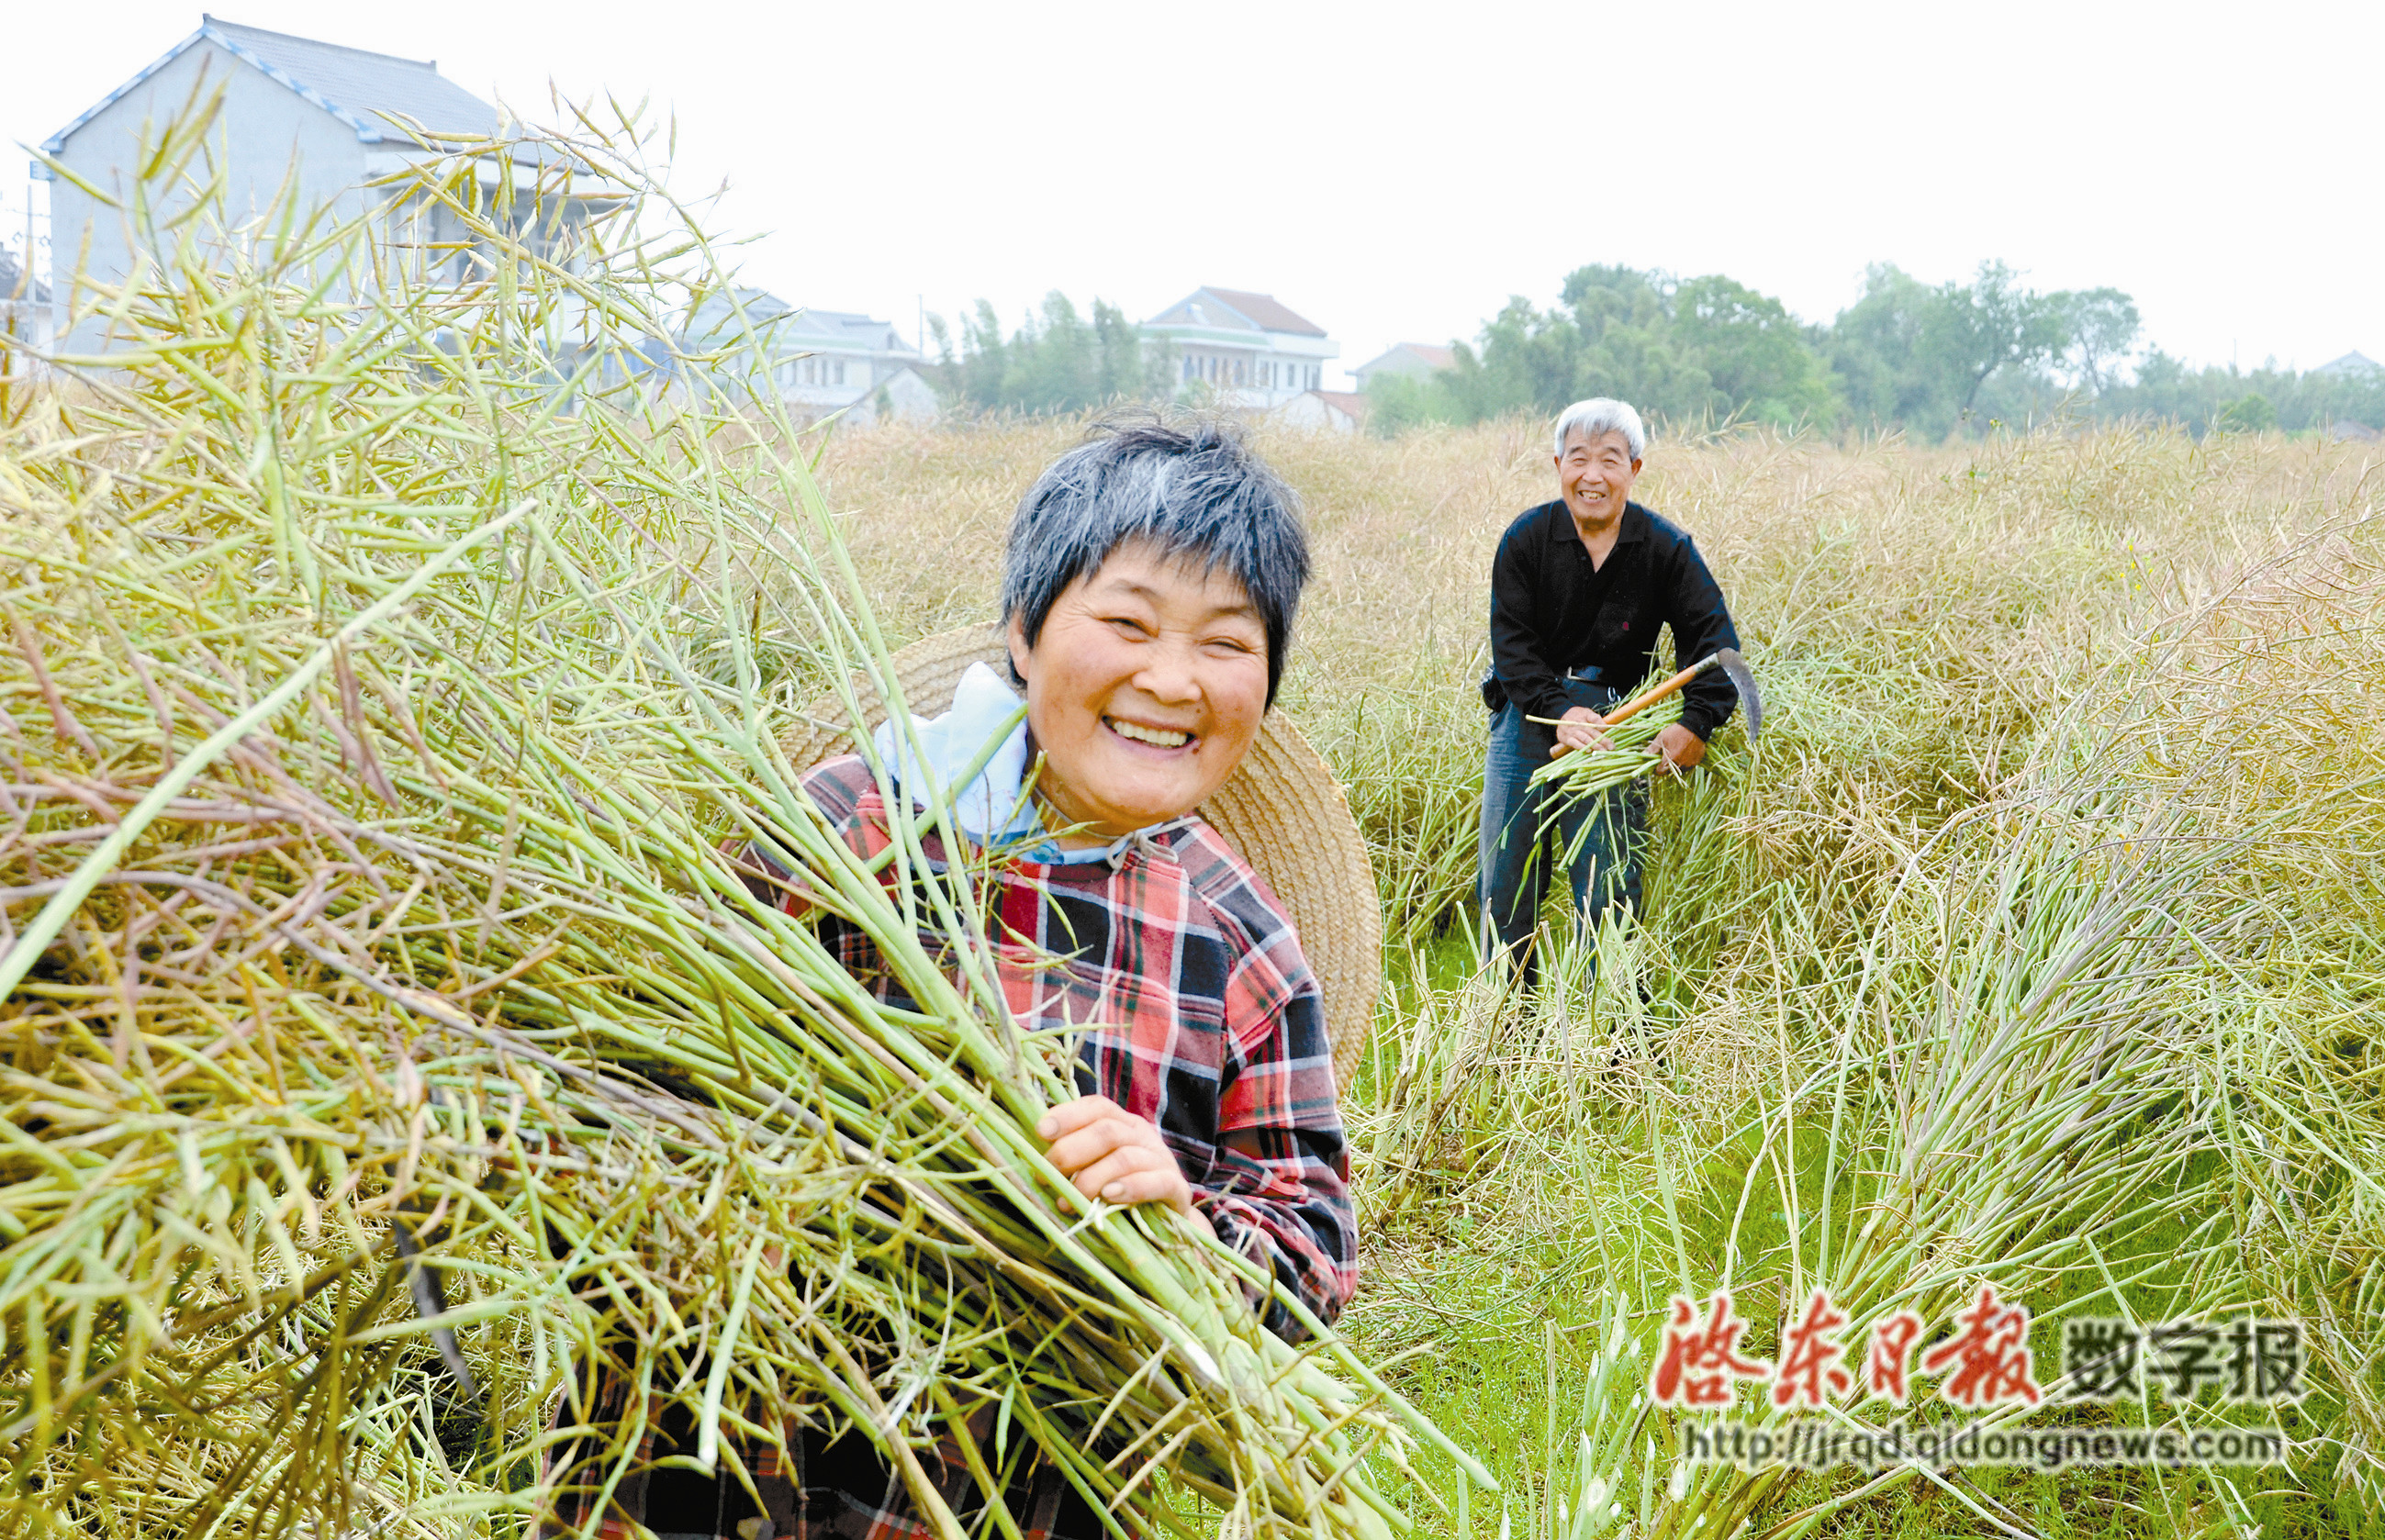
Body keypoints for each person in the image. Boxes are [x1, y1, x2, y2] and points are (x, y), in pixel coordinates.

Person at [543, 418, 1352, 1539]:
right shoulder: (842, 834)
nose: (1170, 679)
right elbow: (619, 1092)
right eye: (1125, 622)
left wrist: (1178, 1217)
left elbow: (1312, 1245)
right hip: (720, 1460)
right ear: (1025, 632)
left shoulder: (1241, 939)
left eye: (1225, 642)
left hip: (1016, 1492)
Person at [1477, 397, 1742, 991]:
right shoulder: (1525, 540)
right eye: (1578, 459)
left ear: (1635, 469)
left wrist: (1697, 722)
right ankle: (1501, 1035)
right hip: (1527, 716)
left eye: (1610, 460)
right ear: (1557, 464)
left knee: (1609, 889)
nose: (1591, 476)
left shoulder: (1667, 549)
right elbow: (1512, 647)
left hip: (1617, 722)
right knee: (1504, 883)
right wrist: (1556, 709)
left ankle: (1614, 1043)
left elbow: (1714, 640)